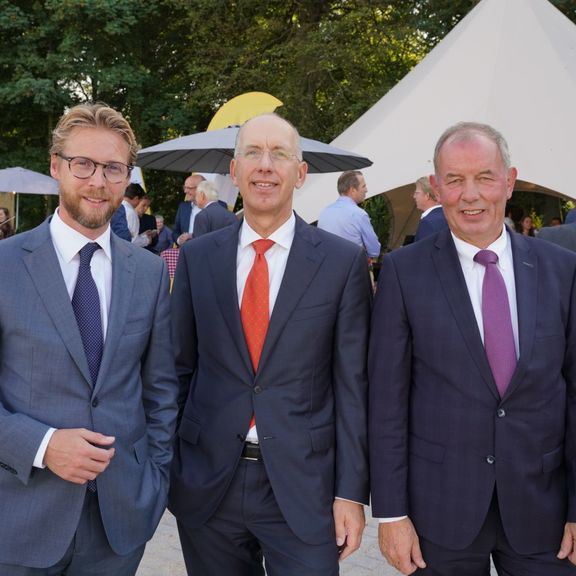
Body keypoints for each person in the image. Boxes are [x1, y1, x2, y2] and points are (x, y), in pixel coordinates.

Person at [369, 121, 576, 575]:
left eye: (484, 177)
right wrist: (391, 514)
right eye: (455, 180)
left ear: (509, 181)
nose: (471, 194)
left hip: (544, 511)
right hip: (437, 515)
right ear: (437, 187)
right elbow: (386, 402)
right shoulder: (403, 273)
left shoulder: (562, 271)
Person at [170, 113, 371, 576]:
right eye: (252, 154)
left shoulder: (342, 263)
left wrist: (351, 493)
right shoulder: (198, 259)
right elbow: (177, 370)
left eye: (279, 154)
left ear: (300, 173)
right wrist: (173, 469)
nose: (265, 166)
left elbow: (353, 388)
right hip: (209, 484)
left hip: (306, 488)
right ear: (234, 171)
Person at [0, 103, 179, 575]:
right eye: (84, 164)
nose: (99, 181)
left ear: (126, 177)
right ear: (56, 165)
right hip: (19, 519)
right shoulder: (5, 266)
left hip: (119, 526)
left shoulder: (147, 272)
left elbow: (160, 390)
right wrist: (41, 445)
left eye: (113, 168)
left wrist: (154, 484)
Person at [317, 170, 381, 261]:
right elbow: (375, 250)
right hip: (351, 270)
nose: (366, 190)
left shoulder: (324, 212)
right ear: (353, 190)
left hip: (327, 269)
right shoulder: (359, 215)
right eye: (363, 186)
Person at [172, 173, 205, 246]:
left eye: (189, 188)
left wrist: (193, 236)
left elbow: (220, 233)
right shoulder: (183, 207)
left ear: (201, 189)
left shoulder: (217, 206)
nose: (185, 191)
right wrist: (179, 240)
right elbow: (175, 231)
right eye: (185, 187)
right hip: (186, 251)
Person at [412, 175, 448, 241]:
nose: (414, 196)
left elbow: (426, 250)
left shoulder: (428, 222)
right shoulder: (450, 216)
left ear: (427, 196)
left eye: (417, 193)